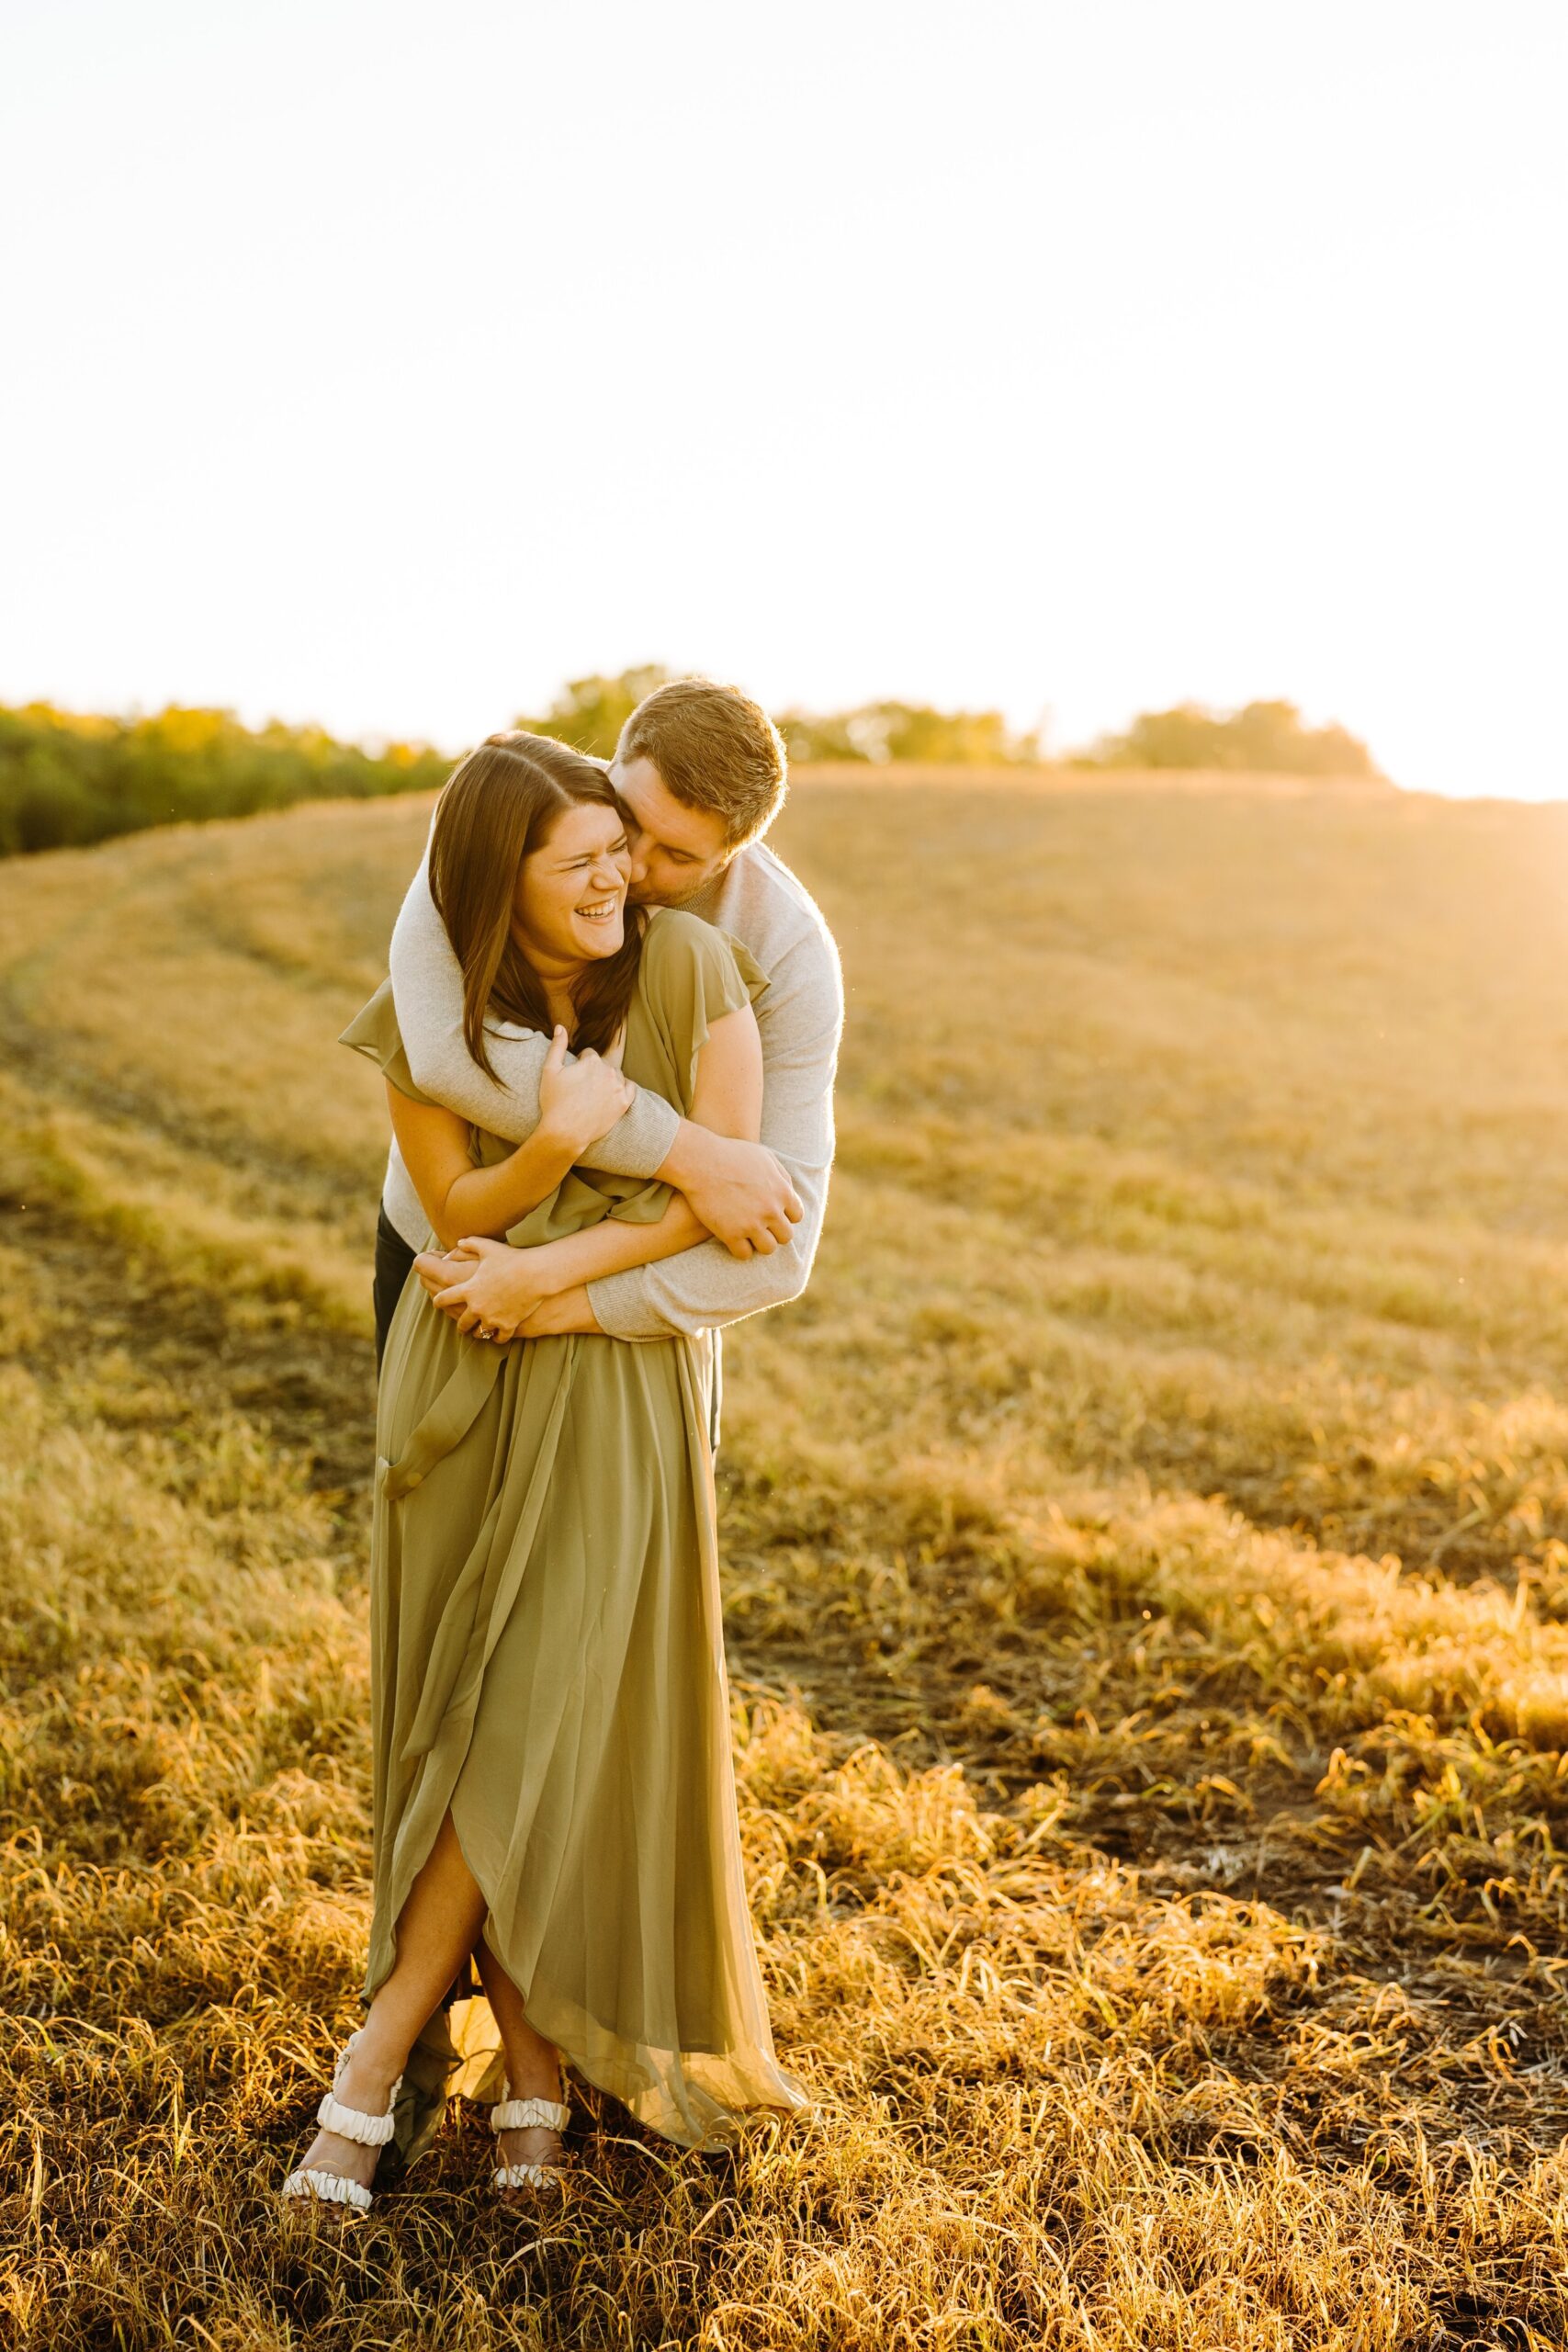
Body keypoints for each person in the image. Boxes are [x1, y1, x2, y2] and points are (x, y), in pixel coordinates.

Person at [283, 731, 813, 2215]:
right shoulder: (429, 1019)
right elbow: (449, 1203)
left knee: (529, 1714)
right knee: (456, 1703)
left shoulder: (701, 974)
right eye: (580, 858)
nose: (617, 879)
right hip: (455, 1369)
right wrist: (556, 1153)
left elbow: (737, 1203)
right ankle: (525, 2063)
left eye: (622, 854)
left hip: (611, 1382)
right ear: (495, 880)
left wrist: (569, 1252)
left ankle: (375, 2061)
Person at [374, 675, 843, 1379]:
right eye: (627, 820)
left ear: (731, 855)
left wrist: (547, 1297)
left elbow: (777, 1247)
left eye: (678, 856)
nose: (630, 870)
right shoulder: (502, 816)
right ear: (610, 764)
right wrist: (689, 1156)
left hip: (626, 1328)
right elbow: (445, 1054)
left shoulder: (789, 953)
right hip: (450, 1257)